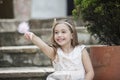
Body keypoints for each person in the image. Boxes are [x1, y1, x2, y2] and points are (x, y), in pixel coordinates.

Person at [24, 19, 94, 80]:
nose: (59, 35)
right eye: (56, 32)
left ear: (72, 35)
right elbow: (43, 46)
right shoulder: (55, 52)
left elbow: (90, 72)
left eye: (63, 32)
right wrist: (32, 36)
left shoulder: (81, 50)